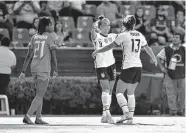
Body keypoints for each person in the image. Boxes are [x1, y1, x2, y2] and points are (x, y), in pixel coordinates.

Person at [92, 15, 157, 124]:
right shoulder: (140, 34)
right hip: (138, 66)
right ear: (134, 24)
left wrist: (97, 51)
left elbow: (110, 46)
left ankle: (126, 113)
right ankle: (130, 117)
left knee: (119, 92)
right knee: (131, 93)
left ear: (124, 24)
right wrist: (154, 58)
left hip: (128, 66)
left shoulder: (123, 35)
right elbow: (147, 48)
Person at [19, 17, 58, 124]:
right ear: (46, 26)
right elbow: (54, 57)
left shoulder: (34, 37)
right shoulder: (49, 37)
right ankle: (28, 116)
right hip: (44, 69)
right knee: (40, 94)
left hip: (34, 68)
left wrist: (23, 71)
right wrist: (55, 69)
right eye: (51, 24)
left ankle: (38, 118)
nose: (52, 26)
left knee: (38, 93)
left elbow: (28, 56)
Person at [91, 17, 117, 123]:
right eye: (105, 25)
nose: (107, 27)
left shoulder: (113, 36)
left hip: (112, 64)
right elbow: (92, 34)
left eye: (108, 25)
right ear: (100, 26)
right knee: (106, 89)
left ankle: (104, 115)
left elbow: (124, 37)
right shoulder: (97, 36)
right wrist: (94, 26)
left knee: (110, 90)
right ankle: (108, 114)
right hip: (101, 65)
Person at [157, 33, 185, 116]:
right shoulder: (166, 49)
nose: (175, 39)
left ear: (180, 40)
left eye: (177, 37)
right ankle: (173, 111)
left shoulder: (184, 49)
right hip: (169, 74)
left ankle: (180, 110)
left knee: (182, 94)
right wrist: (162, 68)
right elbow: (158, 57)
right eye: (174, 37)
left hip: (182, 74)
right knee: (171, 94)